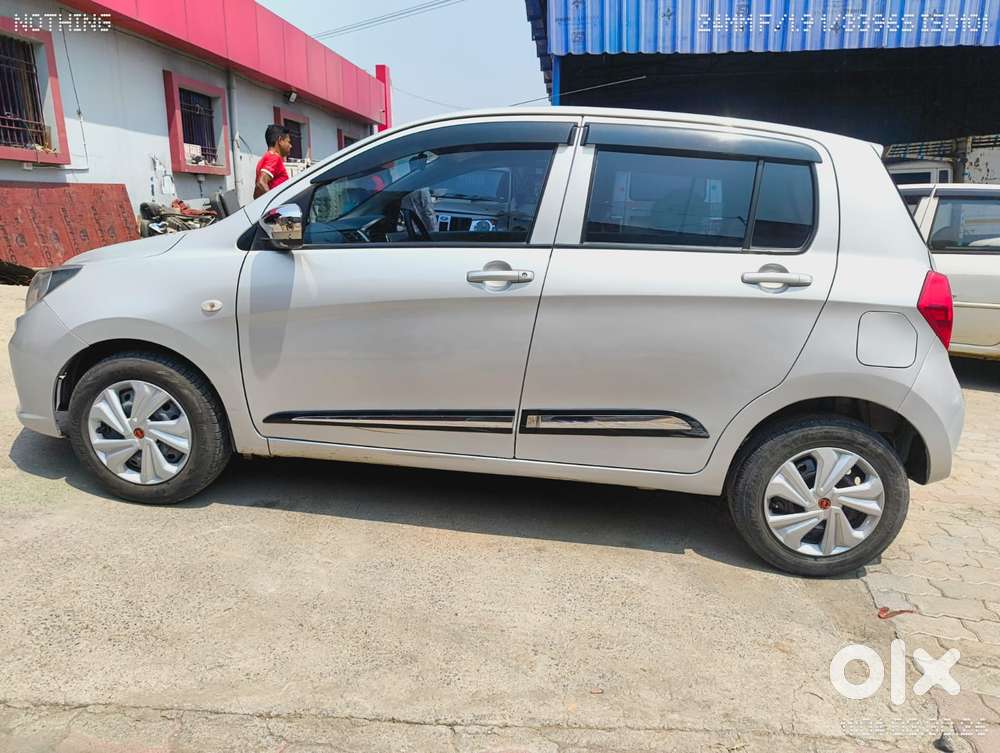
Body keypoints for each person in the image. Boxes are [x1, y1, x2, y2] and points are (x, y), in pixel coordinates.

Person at [254, 125, 292, 199]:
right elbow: (261, 183)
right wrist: (274, 202)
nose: (290, 146)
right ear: (280, 140)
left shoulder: (264, 159)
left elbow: (256, 194)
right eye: (288, 142)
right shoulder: (274, 157)